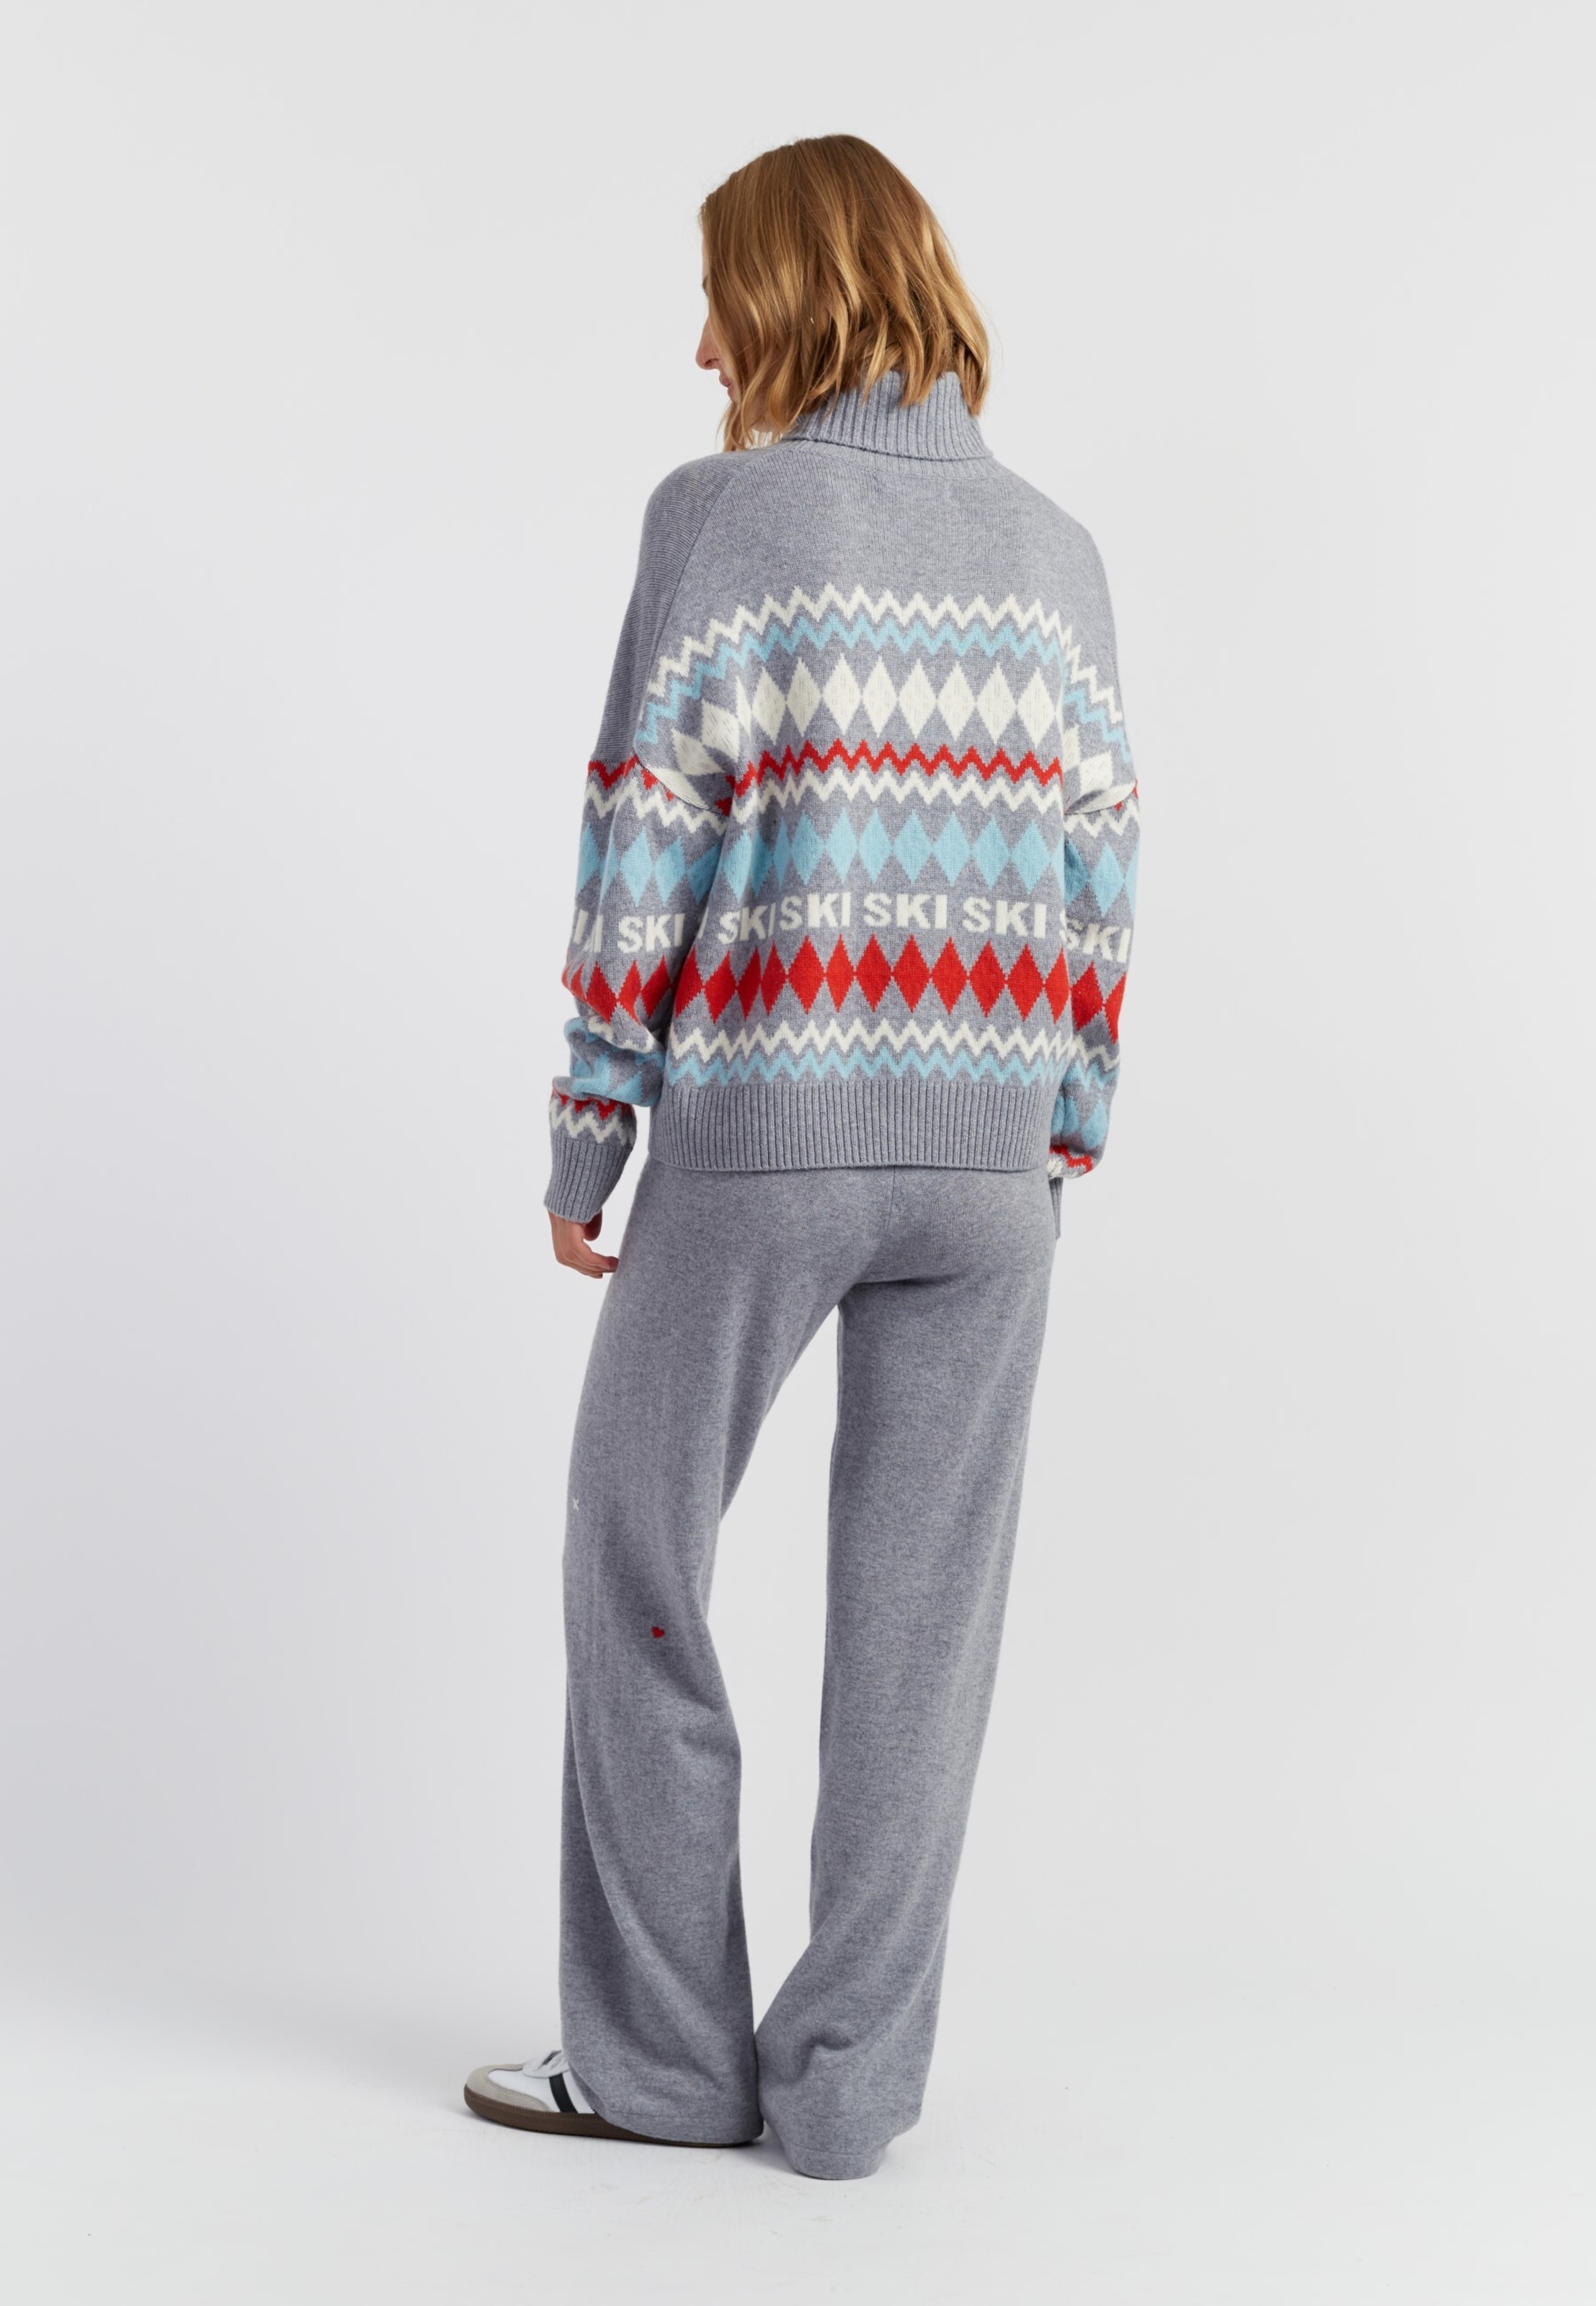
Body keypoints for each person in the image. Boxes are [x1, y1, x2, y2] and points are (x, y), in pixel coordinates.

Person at [465, 134, 1138, 2183]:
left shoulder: (724, 520)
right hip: (991, 1169)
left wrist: (590, 1131)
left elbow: (640, 835)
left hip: (772, 1130)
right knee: (924, 1626)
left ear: (790, 294)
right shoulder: (1056, 549)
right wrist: (1064, 1113)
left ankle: (667, 2069)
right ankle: (847, 2095)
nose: (701, 349)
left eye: (718, 302)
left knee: (637, 1550)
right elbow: (1103, 862)